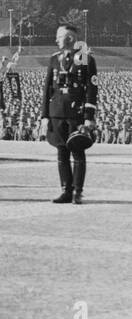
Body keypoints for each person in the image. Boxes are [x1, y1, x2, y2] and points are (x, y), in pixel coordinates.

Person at [43, 23, 97, 204]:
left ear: (70, 39)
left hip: (77, 113)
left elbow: (91, 88)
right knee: (61, 151)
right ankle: (66, 189)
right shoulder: (54, 58)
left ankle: (77, 192)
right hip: (57, 111)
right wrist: (44, 116)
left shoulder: (83, 58)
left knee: (78, 151)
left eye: (59, 37)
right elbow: (47, 89)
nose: (56, 40)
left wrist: (89, 117)